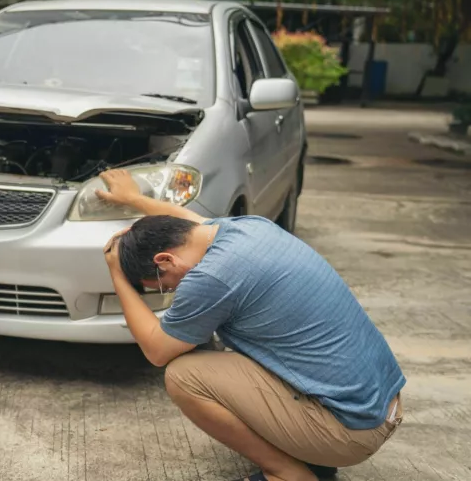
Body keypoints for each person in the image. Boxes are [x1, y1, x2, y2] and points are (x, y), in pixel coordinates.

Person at [95, 169, 405, 481]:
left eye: (163, 285)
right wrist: (133, 199)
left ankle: (287, 473)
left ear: (165, 261)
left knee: (184, 376)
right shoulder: (246, 229)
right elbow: (189, 220)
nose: (172, 291)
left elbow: (157, 350)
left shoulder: (211, 277)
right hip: (379, 406)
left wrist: (117, 273)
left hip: (351, 432)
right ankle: (313, 461)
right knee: (226, 347)